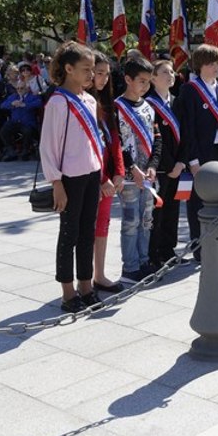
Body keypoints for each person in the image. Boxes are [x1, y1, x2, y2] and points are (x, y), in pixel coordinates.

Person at [40, 41, 103, 313]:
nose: (91, 75)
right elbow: (48, 145)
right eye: (86, 69)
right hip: (70, 178)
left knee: (88, 231)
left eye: (93, 69)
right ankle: (68, 292)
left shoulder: (89, 100)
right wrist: (56, 183)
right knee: (69, 234)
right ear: (68, 69)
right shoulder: (58, 102)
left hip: (92, 174)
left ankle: (86, 285)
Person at [176, 43, 218, 262]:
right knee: (197, 200)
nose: (217, 68)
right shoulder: (189, 91)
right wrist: (192, 159)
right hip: (200, 154)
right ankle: (200, 247)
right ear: (200, 66)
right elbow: (188, 128)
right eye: (212, 64)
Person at [114, 56, 161, 282]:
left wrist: (153, 166)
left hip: (148, 176)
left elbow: (157, 138)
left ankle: (144, 262)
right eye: (141, 81)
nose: (145, 85)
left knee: (146, 220)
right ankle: (130, 267)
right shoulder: (117, 107)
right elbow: (115, 143)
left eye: (148, 81)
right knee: (131, 221)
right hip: (129, 177)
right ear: (128, 79)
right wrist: (132, 168)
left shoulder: (149, 107)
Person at [89, 54, 125, 292]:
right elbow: (89, 146)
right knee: (87, 227)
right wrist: (102, 179)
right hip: (92, 177)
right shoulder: (82, 102)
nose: (102, 78)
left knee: (103, 225)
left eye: (106, 73)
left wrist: (119, 172)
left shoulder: (106, 103)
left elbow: (114, 142)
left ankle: (99, 274)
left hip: (110, 178)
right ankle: (83, 279)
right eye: (98, 73)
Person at [146, 58, 185, 267]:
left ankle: (169, 249)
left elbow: (186, 134)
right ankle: (155, 253)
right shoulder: (149, 104)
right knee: (158, 211)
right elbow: (155, 140)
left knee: (174, 208)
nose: (170, 76)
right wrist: (170, 165)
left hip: (179, 167)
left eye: (172, 72)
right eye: (164, 73)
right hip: (161, 168)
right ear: (153, 78)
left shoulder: (177, 102)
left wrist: (181, 163)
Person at [0, 81, 41, 161]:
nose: (19, 90)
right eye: (17, 88)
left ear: (27, 89)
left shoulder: (32, 96)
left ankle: (25, 151)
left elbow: (39, 103)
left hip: (27, 123)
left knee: (27, 131)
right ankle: (11, 151)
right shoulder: (14, 96)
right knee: (4, 130)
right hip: (15, 122)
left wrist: (25, 105)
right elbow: (2, 105)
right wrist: (12, 104)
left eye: (22, 88)